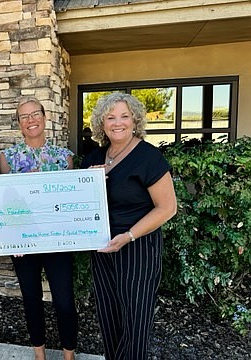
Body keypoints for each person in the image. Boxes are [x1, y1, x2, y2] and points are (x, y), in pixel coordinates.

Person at [81, 93, 177, 360]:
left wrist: (129, 235)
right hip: (101, 246)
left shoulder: (149, 157)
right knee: (109, 316)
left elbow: (167, 208)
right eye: (110, 117)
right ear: (102, 123)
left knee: (135, 320)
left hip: (137, 246)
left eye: (124, 116)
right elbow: (79, 204)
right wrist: (88, 182)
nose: (117, 123)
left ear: (135, 120)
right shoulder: (93, 159)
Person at [0, 97, 78, 360]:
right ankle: (39, 354)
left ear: (45, 118)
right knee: (31, 299)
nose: (30, 120)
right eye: (24, 116)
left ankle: (69, 355)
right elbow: (9, 204)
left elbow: (69, 201)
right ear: (19, 124)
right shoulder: (8, 158)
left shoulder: (64, 157)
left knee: (64, 301)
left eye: (35, 114)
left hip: (57, 241)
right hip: (24, 244)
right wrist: (14, 239)